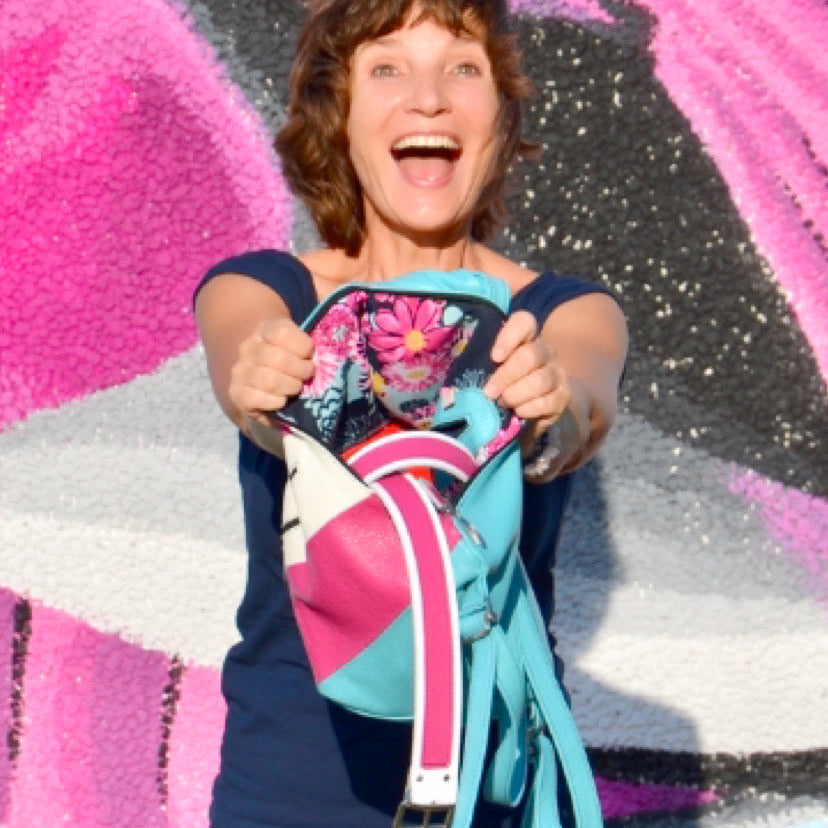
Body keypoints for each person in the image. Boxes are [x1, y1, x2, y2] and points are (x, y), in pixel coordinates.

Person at [194, 1, 628, 825]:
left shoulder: (563, 311)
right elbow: (243, 360)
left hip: (500, 787)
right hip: (291, 791)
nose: (428, 98)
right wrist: (265, 384)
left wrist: (550, 411)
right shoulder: (265, 289)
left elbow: (582, 399)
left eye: (462, 67)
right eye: (387, 67)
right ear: (340, 113)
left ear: (500, 117)